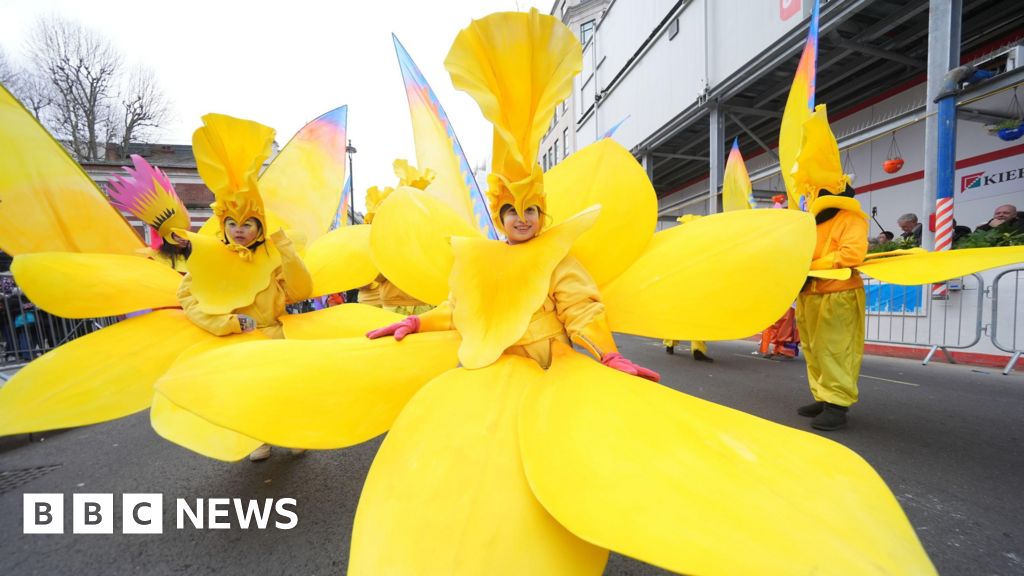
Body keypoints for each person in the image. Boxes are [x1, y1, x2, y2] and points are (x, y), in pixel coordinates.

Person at [367, 203, 659, 381]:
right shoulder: (478, 257)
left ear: (541, 216)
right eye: (513, 212)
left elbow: (579, 308)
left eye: (530, 210)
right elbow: (460, 310)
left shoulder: (557, 256)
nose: (522, 219)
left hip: (547, 366)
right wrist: (417, 322)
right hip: (495, 366)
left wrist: (608, 354)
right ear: (501, 219)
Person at [176, 113, 312, 461]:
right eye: (232, 223)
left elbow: (300, 291)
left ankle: (292, 432)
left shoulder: (271, 255)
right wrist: (228, 324)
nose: (239, 229)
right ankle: (258, 439)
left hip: (276, 337)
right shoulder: (211, 257)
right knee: (249, 393)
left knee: (284, 389)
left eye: (247, 223)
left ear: (259, 226)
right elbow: (190, 298)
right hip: (239, 340)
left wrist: (285, 250)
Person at [792, 107, 869, 432]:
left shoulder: (849, 219)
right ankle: (823, 396)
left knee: (836, 349)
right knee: (812, 348)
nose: (810, 196)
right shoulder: (810, 223)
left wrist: (810, 267)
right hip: (808, 295)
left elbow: (852, 254)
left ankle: (838, 404)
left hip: (838, 295)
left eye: (815, 191)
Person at [106, 154, 193, 272]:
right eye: (178, 234)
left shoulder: (195, 258)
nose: (184, 238)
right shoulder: (152, 259)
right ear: (168, 236)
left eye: (185, 233)